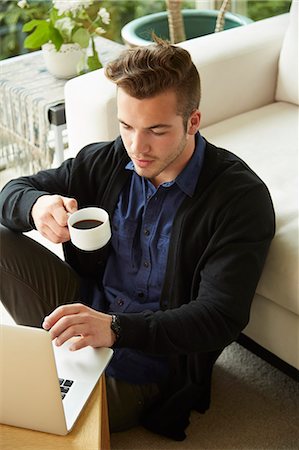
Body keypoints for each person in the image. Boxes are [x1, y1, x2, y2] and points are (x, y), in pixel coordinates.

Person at [0, 37, 275, 441]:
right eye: (126, 126)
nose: (137, 147)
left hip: (152, 359)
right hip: (85, 306)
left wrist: (115, 329)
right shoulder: (109, 159)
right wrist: (37, 206)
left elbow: (220, 318)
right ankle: (53, 356)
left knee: (41, 424)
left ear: (193, 121)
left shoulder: (239, 200)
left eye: (157, 131)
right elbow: (12, 192)